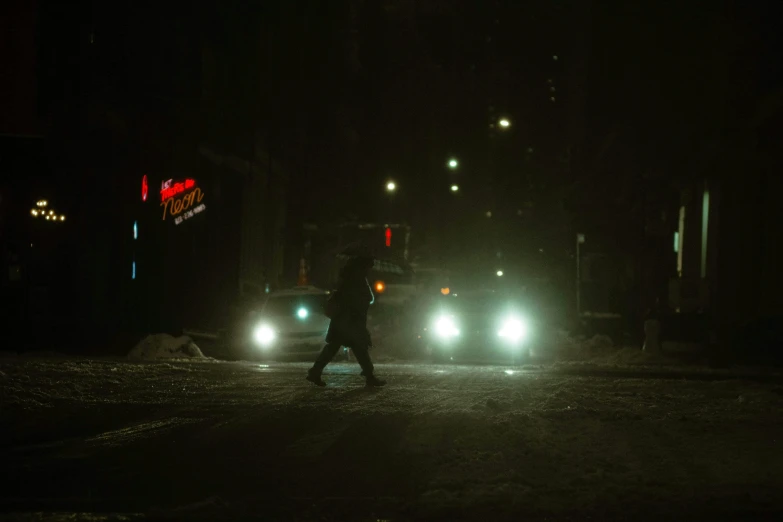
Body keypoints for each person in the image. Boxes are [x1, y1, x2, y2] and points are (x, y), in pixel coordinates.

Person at [306, 255, 386, 387]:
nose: (369, 269)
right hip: (349, 321)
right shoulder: (356, 280)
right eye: (368, 266)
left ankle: (315, 371)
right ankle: (369, 375)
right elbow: (361, 298)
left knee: (342, 347)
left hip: (345, 321)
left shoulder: (349, 279)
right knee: (357, 347)